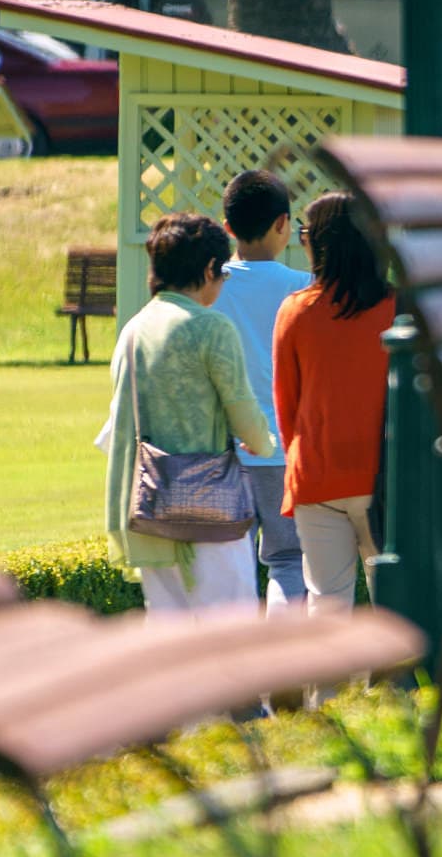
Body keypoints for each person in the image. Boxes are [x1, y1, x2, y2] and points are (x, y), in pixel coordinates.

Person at [104, 213, 275, 616]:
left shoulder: (133, 329)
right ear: (209, 269)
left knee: (171, 640)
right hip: (210, 509)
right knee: (231, 635)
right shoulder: (211, 327)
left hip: (148, 506)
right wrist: (263, 441)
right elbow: (241, 409)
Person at [273, 192, 399, 618]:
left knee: (326, 608)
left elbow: (286, 407)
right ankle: (393, 687)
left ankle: (325, 690)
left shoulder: (295, 311)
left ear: (320, 244)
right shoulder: (399, 309)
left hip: (316, 474)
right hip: (386, 481)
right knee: (392, 610)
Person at [216, 170, 312, 616]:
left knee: (229, 572)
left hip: (223, 451)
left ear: (228, 227)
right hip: (281, 450)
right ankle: (288, 674)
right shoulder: (302, 286)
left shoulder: (209, 286)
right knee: (288, 562)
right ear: (283, 224)